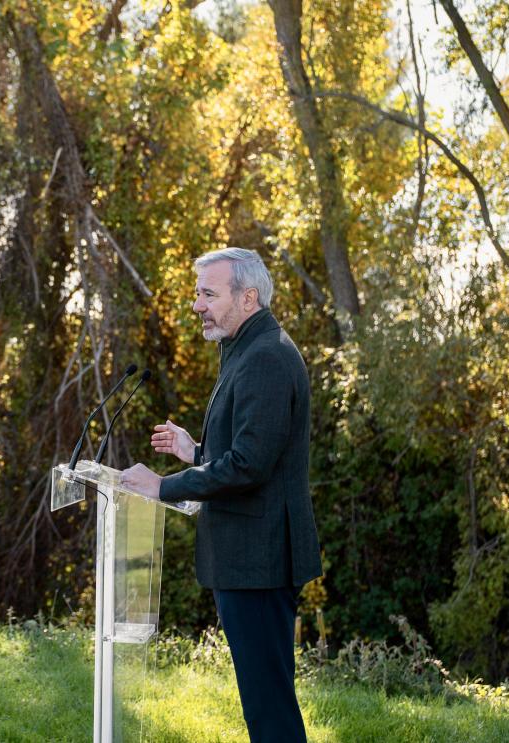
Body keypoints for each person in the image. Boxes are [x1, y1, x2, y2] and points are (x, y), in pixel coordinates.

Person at [119, 247, 322, 743]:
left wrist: (163, 485)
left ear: (247, 297)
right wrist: (198, 451)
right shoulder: (247, 348)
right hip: (249, 558)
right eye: (197, 293)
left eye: (208, 294)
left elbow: (250, 466)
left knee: (269, 707)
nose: (197, 305)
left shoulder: (267, 356)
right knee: (264, 702)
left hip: (260, 561)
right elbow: (249, 450)